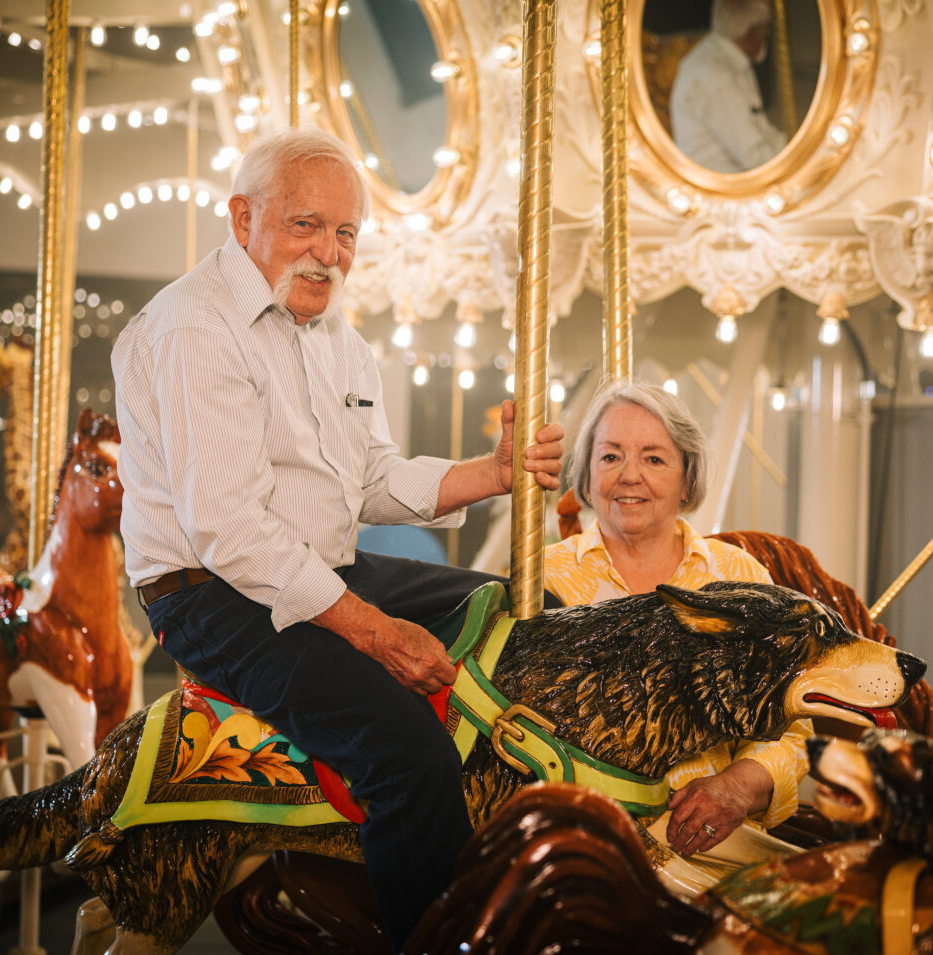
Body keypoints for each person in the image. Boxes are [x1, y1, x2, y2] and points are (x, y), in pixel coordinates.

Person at [111, 128, 564, 951]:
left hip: (316, 563)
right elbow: (231, 531)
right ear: (243, 218)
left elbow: (371, 479)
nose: (328, 253)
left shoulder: (338, 340)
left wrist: (493, 472)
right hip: (213, 595)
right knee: (405, 754)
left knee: (508, 606)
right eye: (306, 226)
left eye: (345, 233)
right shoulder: (193, 330)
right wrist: (378, 631)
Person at [544, 380, 810, 859]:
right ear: (585, 478)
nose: (629, 476)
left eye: (653, 458)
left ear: (687, 480)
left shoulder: (739, 577)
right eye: (610, 457)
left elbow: (791, 727)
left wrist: (735, 788)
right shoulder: (543, 579)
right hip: (579, 841)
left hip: (710, 841)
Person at [669, 0, 787, 173]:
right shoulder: (716, 78)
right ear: (751, 31)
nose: (766, 36)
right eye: (765, 28)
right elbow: (754, 157)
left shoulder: (729, 59)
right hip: (721, 189)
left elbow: (762, 130)